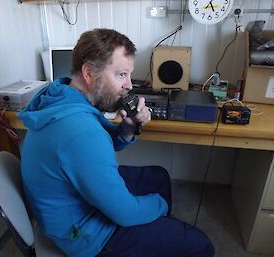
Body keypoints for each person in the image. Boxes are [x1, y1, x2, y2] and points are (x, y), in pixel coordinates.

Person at [18, 28, 215, 257]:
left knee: (158, 177)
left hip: (69, 200)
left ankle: (157, 241)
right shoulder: (80, 132)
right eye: (121, 74)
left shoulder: (61, 96)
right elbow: (125, 213)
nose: (129, 85)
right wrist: (158, 206)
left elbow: (96, 144)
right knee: (201, 245)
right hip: (86, 236)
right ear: (89, 73)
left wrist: (128, 127)